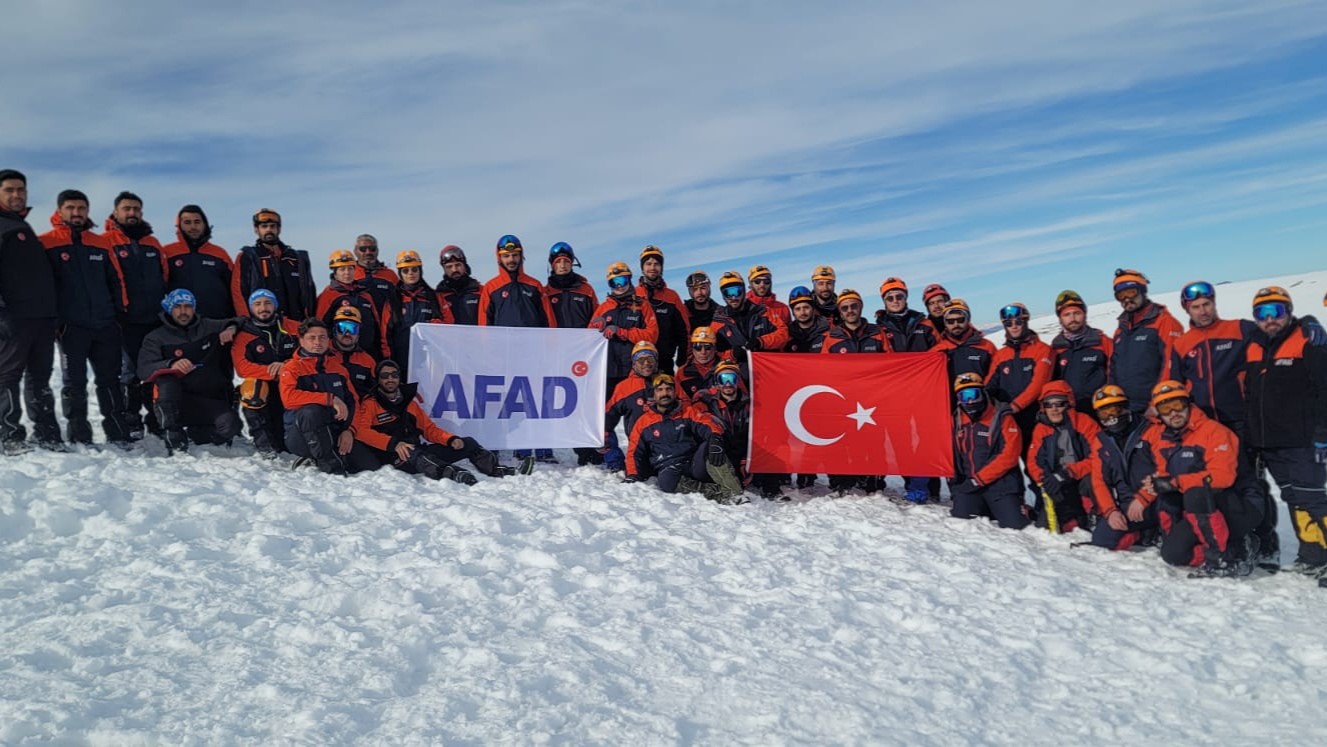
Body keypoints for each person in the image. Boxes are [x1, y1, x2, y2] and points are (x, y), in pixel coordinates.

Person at [1243, 286, 1327, 579]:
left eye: (1276, 311)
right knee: (1294, 497)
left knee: (1315, 499)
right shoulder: (1254, 345)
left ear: (1289, 311)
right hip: (1270, 443)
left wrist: (1322, 432)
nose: (1270, 320)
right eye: (1262, 314)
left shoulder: (1307, 339)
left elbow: (1324, 388)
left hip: (1304, 440)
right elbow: (1251, 394)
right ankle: (1313, 554)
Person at [40, 189, 132, 445]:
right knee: (74, 383)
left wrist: (118, 314)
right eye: (71, 208)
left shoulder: (100, 243)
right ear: (59, 211)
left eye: (81, 208)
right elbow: (43, 286)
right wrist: (57, 322)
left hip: (105, 325)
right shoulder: (46, 242)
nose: (77, 213)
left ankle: (117, 431)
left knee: (109, 381)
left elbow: (117, 280)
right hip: (72, 328)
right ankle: (79, 435)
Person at [352, 359, 534, 483]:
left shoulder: (410, 403)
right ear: (378, 379)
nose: (390, 379)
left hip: (418, 451)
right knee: (417, 453)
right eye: (384, 376)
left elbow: (429, 430)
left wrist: (450, 439)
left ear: (399, 378)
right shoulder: (371, 403)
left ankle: (501, 470)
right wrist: (393, 444)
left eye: (394, 375)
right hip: (395, 457)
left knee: (467, 443)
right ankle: (452, 474)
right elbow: (361, 432)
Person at [1145, 380, 1259, 577]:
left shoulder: (1215, 431)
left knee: (1197, 491)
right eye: (1166, 408)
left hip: (1241, 504)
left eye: (1178, 405)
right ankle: (1230, 549)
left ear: (1188, 403)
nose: (1173, 413)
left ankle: (1222, 559)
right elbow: (1164, 475)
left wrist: (1175, 483)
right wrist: (1157, 484)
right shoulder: (1165, 439)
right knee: (1173, 554)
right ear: (1159, 413)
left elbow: (1223, 477)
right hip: (1201, 512)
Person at [136, 289, 241, 454]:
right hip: (172, 401)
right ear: (170, 309)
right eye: (178, 307)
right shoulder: (156, 337)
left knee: (230, 426)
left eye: (188, 306)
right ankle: (172, 433)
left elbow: (241, 321)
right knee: (166, 381)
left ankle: (196, 433)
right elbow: (143, 369)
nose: (183, 311)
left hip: (205, 399)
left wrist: (232, 328)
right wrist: (171, 364)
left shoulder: (207, 326)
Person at [0, 169, 61, 453]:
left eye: (20, 190)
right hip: (13, 318)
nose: (16, 195)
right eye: (9, 190)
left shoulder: (21, 226)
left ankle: (47, 433)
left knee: (40, 378)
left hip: (42, 316)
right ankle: (9, 435)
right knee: (8, 375)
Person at [104, 191, 168, 439]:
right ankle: (130, 420)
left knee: (154, 370)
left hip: (153, 319)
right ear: (116, 212)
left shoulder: (153, 244)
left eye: (136, 209)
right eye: (126, 209)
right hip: (124, 320)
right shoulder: (107, 241)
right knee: (128, 372)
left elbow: (164, 277)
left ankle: (156, 418)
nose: (131, 213)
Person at [627, 373, 745, 504]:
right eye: (660, 390)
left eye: (669, 389)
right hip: (669, 466)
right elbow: (634, 452)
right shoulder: (643, 422)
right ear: (654, 395)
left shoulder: (688, 411)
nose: (664, 393)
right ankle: (719, 494)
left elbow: (708, 424)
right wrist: (632, 474)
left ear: (675, 392)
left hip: (694, 462)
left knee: (712, 446)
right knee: (666, 481)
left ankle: (735, 494)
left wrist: (715, 438)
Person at [279, 318, 373, 475]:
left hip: (334, 432)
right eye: (312, 337)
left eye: (322, 337)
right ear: (301, 340)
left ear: (329, 340)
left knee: (370, 466)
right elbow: (289, 398)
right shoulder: (292, 368)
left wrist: (350, 431)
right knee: (312, 411)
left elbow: (354, 403)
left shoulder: (338, 369)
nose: (318, 342)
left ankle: (322, 458)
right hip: (300, 436)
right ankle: (329, 465)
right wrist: (330, 399)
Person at [949, 372, 1029, 529]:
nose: (970, 400)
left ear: (983, 392)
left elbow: (1010, 455)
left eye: (974, 394)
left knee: (1015, 527)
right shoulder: (956, 419)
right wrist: (955, 481)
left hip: (1001, 485)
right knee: (962, 523)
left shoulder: (1002, 416)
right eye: (964, 396)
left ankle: (1009, 507)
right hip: (969, 483)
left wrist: (979, 479)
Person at [1086, 384, 1160, 551]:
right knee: (1102, 540)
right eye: (1104, 413)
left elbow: (1165, 469)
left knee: (1175, 548)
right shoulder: (1101, 440)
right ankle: (1143, 533)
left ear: (1126, 408)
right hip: (1127, 504)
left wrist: (1144, 498)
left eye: (1115, 410)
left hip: (1158, 500)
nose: (1111, 417)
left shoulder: (1150, 430)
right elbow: (1099, 480)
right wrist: (1110, 511)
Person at [986, 302, 1054, 476]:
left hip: (1034, 418)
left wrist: (1015, 406)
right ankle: (1019, 501)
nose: (1014, 326)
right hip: (1008, 419)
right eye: (1008, 324)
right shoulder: (1001, 355)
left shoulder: (1043, 350)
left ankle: (1046, 501)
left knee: (1038, 464)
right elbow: (990, 384)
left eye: (1018, 322)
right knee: (1009, 466)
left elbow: (1039, 383)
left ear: (1025, 321)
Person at [1025, 381, 1100, 533]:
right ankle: (1072, 518)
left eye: (1059, 403)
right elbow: (1033, 461)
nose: (1054, 409)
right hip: (1057, 483)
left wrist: (1069, 472)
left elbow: (1099, 456)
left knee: (1093, 480)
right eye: (1048, 405)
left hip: (1081, 479)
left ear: (1069, 403)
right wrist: (1045, 479)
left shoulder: (1085, 422)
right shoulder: (1041, 429)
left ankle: (1095, 514)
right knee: (1044, 528)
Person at [232, 288, 299, 458]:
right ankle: (265, 445)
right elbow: (242, 367)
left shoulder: (293, 328)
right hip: (266, 387)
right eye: (257, 304)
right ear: (251, 308)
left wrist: (286, 366)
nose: (263, 308)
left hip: (292, 383)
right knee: (251, 388)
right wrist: (273, 372)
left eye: (268, 303)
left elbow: (310, 353)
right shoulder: (245, 334)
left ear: (275, 306)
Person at [1108, 268, 1183, 416]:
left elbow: (1172, 365)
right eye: (1121, 295)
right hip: (1127, 407)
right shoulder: (1121, 329)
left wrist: (1159, 401)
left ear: (1142, 291)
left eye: (1131, 293)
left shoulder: (1164, 322)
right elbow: (1113, 368)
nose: (1126, 299)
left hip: (1157, 407)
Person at [231, 208, 317, 323]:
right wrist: (245, 322)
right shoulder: (248, 257)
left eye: (272, 226)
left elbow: (309, 293)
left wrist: (309, 320)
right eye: (264, 226)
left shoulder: (297, 258)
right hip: (262, 324)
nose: (269, 230)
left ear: (279, 229)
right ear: (256, 230)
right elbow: (238, 293)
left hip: (296, 323)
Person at [590, 262, 659, 396]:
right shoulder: (603, 308)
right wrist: (594, 327)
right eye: (614, 282)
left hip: (634, 371)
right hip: (607, 370)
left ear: (629, 280)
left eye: (622, 280)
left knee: (635, 411)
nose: (619, 286)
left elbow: (652, 335)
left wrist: (623, 332)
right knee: (607, 412)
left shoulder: (642, 305)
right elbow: (589, 340)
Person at [602, 341, 670, 471]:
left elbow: (685, 408)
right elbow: (608, 417)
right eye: (641, 360)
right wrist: (602, 440)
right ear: (634, 363)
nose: (646, 364)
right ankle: (617, 463)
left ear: (656, 361)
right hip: (639, 448)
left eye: (650, 359)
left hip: (667, 445)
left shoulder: (666, 382)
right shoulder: (624, 387)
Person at [161, 204, 234, 320]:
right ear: (179, 226)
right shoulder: (167, 252)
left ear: (204, 224)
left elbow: (235, 289)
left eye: (197, 222)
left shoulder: (220, 254)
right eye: (187, 223)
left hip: (217, 323)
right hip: (181, 324)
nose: (193, 227)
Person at [316, 249, 390, 360]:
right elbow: (319, 327)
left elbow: (377, 327)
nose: (347, 273)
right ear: (335, 272)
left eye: (350, 268)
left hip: (367, 355)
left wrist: (383, 352)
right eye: (342, 269)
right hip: (338, 356)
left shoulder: (365, 295)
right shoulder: (328, 296)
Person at [712, 271, 789, 375]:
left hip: (768, 372)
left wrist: (761, 342)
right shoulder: (718, 322)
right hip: (739, 379)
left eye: (737, 291)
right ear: (723, 296)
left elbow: (783, 334)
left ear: (743, 291)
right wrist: (732, 354)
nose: (733, 297)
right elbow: (713, 353)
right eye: (728, 293)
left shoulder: (763, 312)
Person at [1049, 290, 1112, 415]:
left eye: (1077, 313)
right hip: (1070, 415)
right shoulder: (1055, 349)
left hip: (1102, 410)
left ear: (1085, 315)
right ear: (1060, 319)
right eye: (1067, 315)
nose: (1072, 318)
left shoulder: (1102, 342)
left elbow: (1117, 374)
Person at [390, 250, 452, 373]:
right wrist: (388, 359)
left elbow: (449, 323)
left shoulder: (434, 297)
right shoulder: (393, 299)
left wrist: (436, 325)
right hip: (401, 358)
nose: (410, 274)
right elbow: (384, 333)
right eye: (405, 271)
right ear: (400, 274)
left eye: (414, 270)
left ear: (420, 271)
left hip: (429, 359)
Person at [478, 235, 556, 328]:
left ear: (521, 256)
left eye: (515, 255)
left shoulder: (535, 285)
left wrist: (552, 340)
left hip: (532, 341)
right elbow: (484, 324)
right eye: (506, 256)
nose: (511, 259)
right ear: (499, 258)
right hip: (502, 342)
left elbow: (548, 319)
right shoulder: (490, 288)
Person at [635, 245, 690, 372]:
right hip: (638, 362)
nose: (652, 268)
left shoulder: (672, 296)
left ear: (661, 268)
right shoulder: (634, 294)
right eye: (648, 264)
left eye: (656, 264)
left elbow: (683, 331)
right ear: (642, 268)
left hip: (664, 362)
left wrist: (682, 359)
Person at [932, 298, 997, 383]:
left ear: (968, 319)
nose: (956, 324)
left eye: (960, 320)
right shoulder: (938, 351)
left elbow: (998, 376)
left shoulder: (987, 347)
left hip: (981, 395)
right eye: (950, 321)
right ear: (945, 323)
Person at [544, 242, 599, 330]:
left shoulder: (587, 290)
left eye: (566, 261)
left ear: (572, 263)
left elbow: (597, 316)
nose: (562, 265)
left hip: (583, 341)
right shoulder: (545, 292)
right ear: (552, 265)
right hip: (555, 341)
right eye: (558, 262)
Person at [874, 277, 937, 352]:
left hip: (923, 363)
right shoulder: (878, 329)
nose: (895, 301)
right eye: (890, 298)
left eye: (899, 297)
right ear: (885, 301)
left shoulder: (925, 324)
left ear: (905, 298)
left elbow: (939, 350)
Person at [327, 306, 377, 399]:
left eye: (352, 329)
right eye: (342, 328)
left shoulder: (368, 361)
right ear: (334, 330)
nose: (347, 333)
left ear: (358, 334)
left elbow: (376, 393)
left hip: (361, 411)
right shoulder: (323, 355)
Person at [822, 289, 890, 354]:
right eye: (844, 308)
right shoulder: (832, 337)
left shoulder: (877, 333)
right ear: (840, 312)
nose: (850, 310)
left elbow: (890, 360)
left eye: (854, 306)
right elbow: (824, 364)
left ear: (861, 307)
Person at [435, 245, 481, 325]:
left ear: (464, 265)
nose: (454, 270)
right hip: (449, 337)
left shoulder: (480, 291)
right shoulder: (438, 296)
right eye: (449, 267)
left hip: (476, 337)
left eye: (458, 265)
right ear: (444, 269)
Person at [677, 327, 724, 399]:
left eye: (708, 347)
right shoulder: (682, 373)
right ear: (692, 349)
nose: (703, 352)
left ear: (715, 348)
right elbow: (680, 400)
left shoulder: (725, 369)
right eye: (698, 347)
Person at [785, 285, 829, 354]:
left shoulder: (829, 330)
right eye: (798, 309)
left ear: (813, 309)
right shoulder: (787, 336)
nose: (802, 312)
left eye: (806, 307)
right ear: (793, 312)